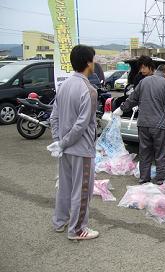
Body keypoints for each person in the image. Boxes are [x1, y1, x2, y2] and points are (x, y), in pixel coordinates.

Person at [49, 45, 99, 240]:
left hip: (66, 149)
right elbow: (81, 125)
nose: (94, 63)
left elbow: (54, 117)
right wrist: (63, 143)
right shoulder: (89, 90)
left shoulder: (64, 86)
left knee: (65, 187)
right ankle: (77, 229)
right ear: (88, 62)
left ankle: (60, 222)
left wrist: (58, 142)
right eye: (93, 59)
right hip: (82, 149)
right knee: (82, 190)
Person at [113, 64, 165, 184]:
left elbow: (132, 99)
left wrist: (122, 108)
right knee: (161, 153)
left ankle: (144, 178)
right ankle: (160, 179)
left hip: (143, 124)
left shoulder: (144, 82)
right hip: (159, 126)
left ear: (156, 71)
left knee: (144, 152)